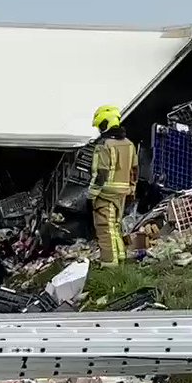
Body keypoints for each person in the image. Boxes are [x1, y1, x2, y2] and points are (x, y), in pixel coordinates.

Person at [87, 105, 138, 266]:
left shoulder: (104, 146)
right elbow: (134, 170)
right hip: (122, 193)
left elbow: (100, 173)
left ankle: (109, 265)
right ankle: (121, 258)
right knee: (115, 227)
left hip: (106, 194)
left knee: (104, 228)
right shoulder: (130, 144)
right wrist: (132, 189)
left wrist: (91, 196)